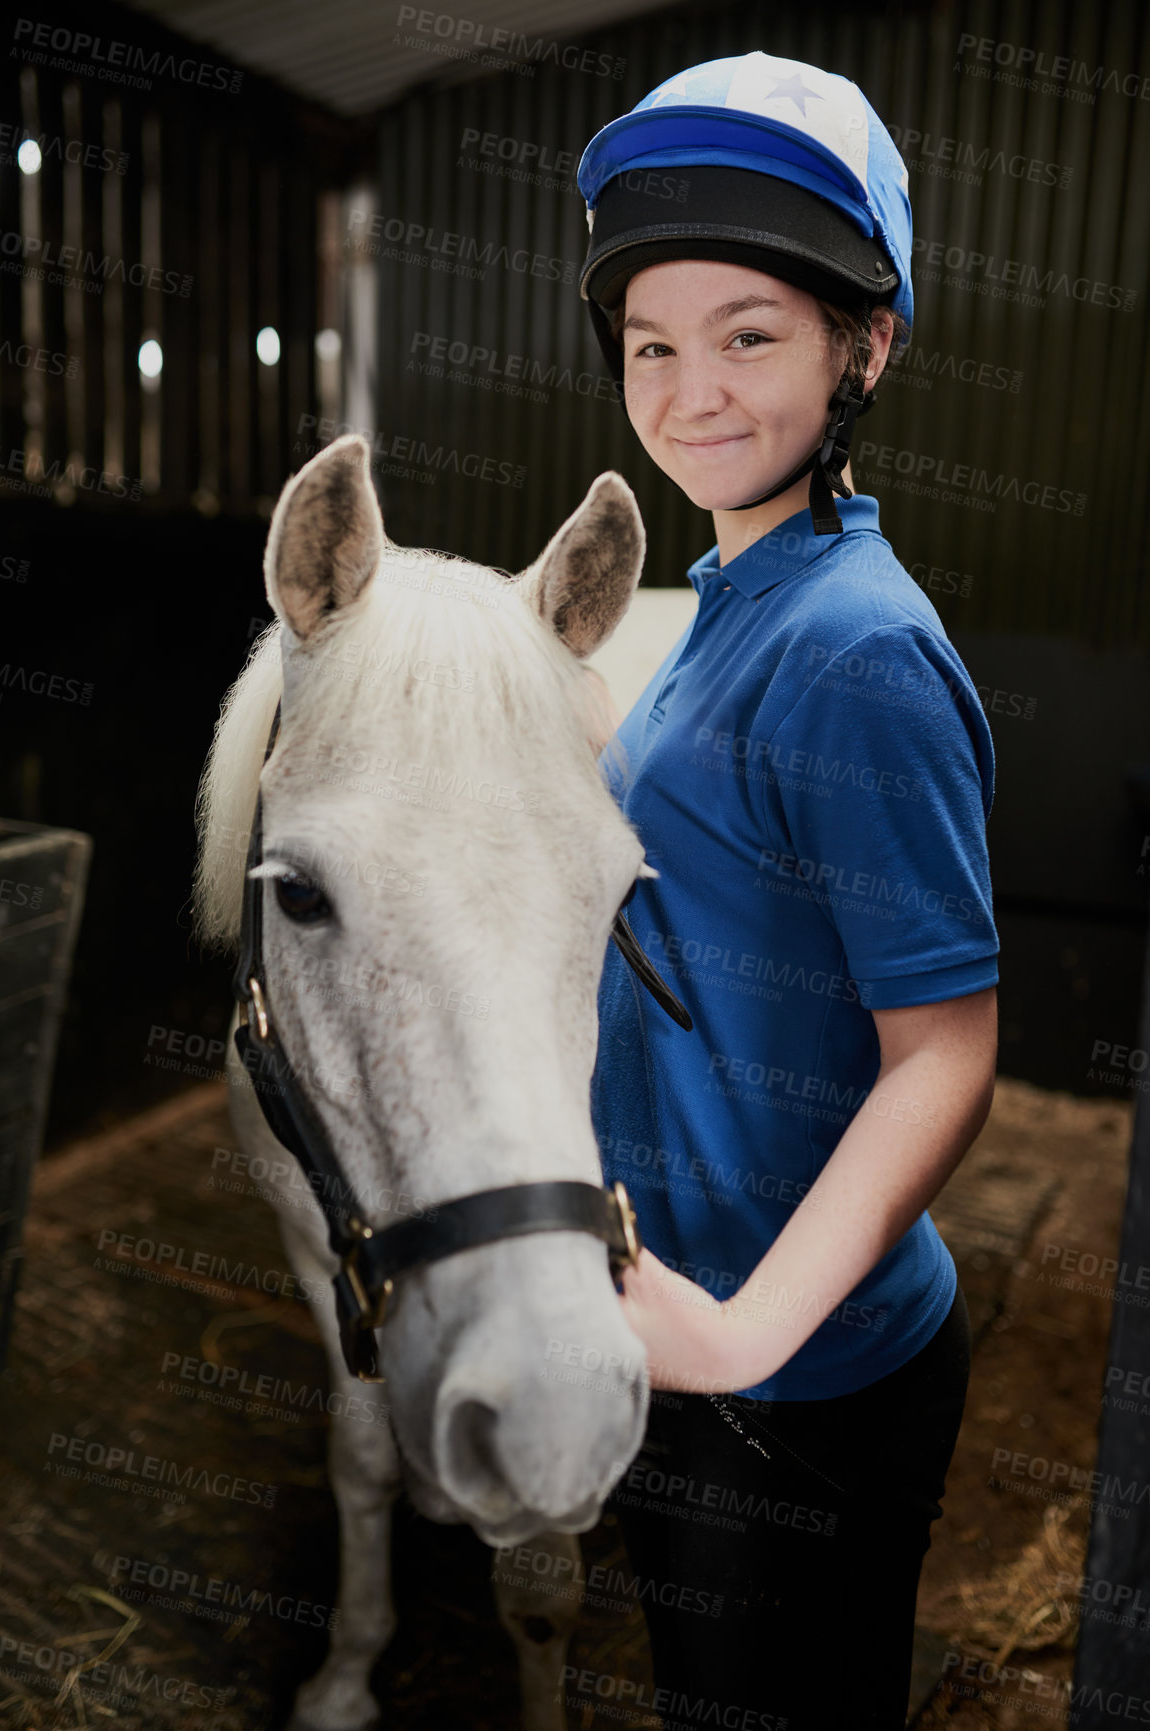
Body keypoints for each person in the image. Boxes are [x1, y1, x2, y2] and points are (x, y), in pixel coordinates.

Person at [577, 51, 999, 1731]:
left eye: (749, 334)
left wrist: (742, 1341)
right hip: (687, 1327)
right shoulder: (728, 594)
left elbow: (946, 1057)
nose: (691, 392)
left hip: (791, 1377)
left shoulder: (854, 647)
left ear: (866, 345)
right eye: (651, 346)